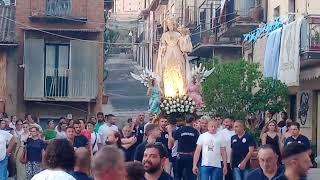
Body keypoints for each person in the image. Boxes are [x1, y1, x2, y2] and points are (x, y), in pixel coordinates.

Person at [155, 15, 192, 97]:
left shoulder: (178, 34)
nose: (170, 26)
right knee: (167, 71)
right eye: (169, 25)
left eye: (171, 24)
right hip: (168, 52)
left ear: (174, 25)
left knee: (179, 70)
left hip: (177, 52)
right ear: (167, 26)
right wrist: (163, 48)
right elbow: (163, 44)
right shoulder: (164, 35)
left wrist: (184, 38)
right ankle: (168, 93)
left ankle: (180, 93)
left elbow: (181, 44)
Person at [168, 115, 199, 180]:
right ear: (193, 121)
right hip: (190, 156)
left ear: (185, 121)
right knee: (190, 176)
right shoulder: (195, 131)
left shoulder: (179, 130)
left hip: (180, 155)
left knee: (177, 175)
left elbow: (172, 143)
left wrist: (170, 133)